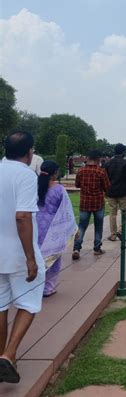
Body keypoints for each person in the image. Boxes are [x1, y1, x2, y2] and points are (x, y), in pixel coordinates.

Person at [0, 131, 45, 383]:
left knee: (1, 305)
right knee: (29, 302)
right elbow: (22, 217)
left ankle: (3, 359)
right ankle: (8, 354)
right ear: (30, 153)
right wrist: (30, 258)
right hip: (18, 252)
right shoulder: (25, 175)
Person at [37, 160, 77, 296]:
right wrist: (73, 229)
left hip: (35, 225)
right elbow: (67, 211)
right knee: (53, 256)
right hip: (52, 227)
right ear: (54, 174)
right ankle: (47, 288)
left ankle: (33, 287)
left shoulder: (33, 187)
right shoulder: (59, 189)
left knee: (36, 255)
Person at [72, 149, 110, 260]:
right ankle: (97, 248)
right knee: (98, 226)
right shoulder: (101, 171)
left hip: (84, 202)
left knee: (82, 226)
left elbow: (77, 185)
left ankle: (76, 248)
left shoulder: (81, 171)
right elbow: (107, 187)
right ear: (98, 159)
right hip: (98, 203)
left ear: (88, 158)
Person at [104, 144, 126, 242]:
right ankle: (121, 231)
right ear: (123, 152)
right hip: (122, 192)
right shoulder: (125, 163)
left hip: (111, 192)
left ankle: (113, 235)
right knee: (125, 212)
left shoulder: (108, 163)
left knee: (112, 214)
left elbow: (105, 178)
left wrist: (105, 190)